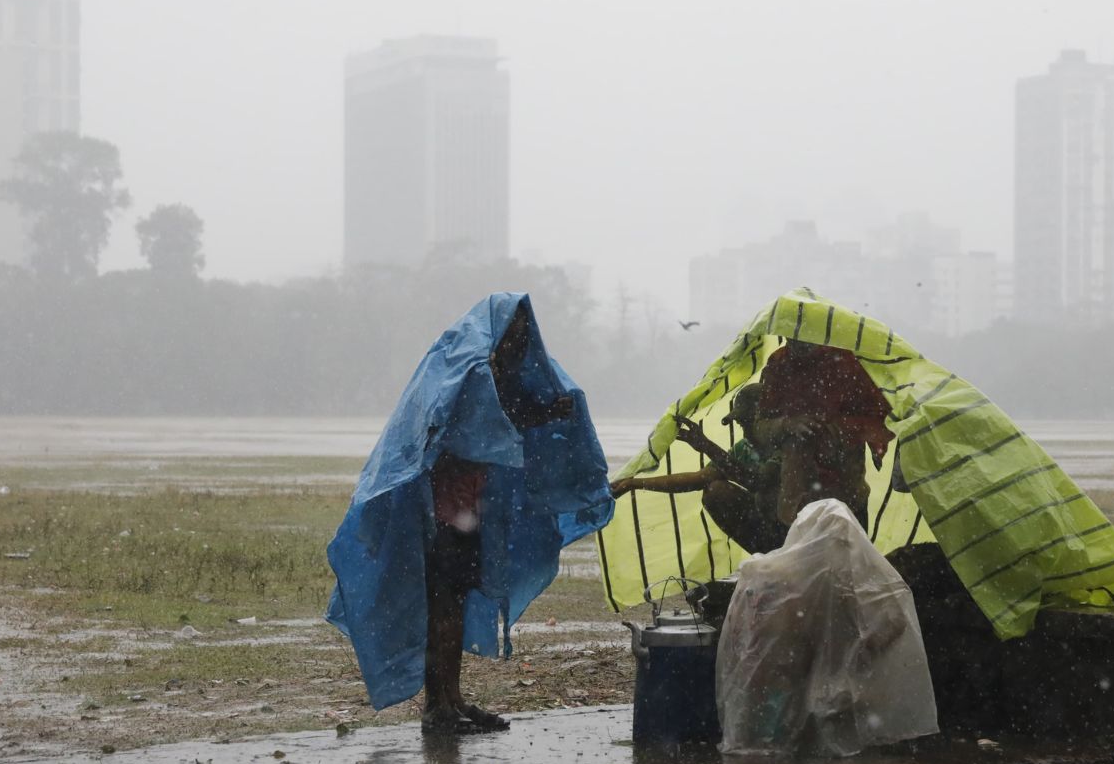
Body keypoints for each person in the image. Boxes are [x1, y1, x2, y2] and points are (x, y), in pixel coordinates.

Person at [327, 294, 613, 736]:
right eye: (513, 332)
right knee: (442, 609)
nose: (519, 342)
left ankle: (451, 699)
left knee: (453, 609)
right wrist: (532, 413)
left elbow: (505, 420)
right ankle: (436, 708)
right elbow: (474, 427)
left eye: (523, 333)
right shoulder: (471, 375)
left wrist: (547, 413)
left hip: (469, 514)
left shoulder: (489, 375)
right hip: (444, 517)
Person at [610, 385, 787, 554]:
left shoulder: (789, 445)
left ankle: (781, 556)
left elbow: (758, 481)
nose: (746, 432)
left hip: (797, 530)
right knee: (716, 492)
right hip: (770, 530)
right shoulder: (745, 448)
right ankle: (769, 557)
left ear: (769, 419)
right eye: (742, 425)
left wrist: (708, 447)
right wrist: (633, 484)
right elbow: (698, 479)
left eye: (750, 423)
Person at [752, 340, 893, 529]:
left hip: (847, 499)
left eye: (802, 327)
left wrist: (836, 428)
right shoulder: (779, 364)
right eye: (790, 329)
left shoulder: (846, 361)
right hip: (796, 502)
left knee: (849, 557)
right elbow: (760, 428)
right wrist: (786, 424)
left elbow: (884, 422)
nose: (796, 338)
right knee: (802, 557)